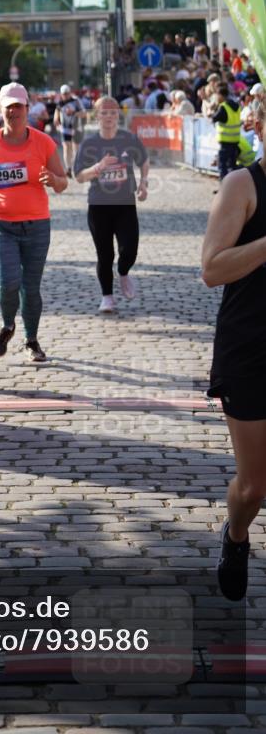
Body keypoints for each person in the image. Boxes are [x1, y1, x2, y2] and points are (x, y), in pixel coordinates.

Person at [201, 98, 266, 601]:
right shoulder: (242, 185)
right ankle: (237, 534)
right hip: (250, 346)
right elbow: (212, 268)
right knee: (254, 486)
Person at [0, 82, 68, 362]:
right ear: (0, 110)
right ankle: (7, 326)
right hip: (1, 224)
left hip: (37, 225)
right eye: (8, 107)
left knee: (31, 287)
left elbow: (63, 182)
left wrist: (54, 179)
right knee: (8, 281)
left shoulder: (43, 142)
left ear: (27, 108)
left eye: (18, 106)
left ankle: (31, 340)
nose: (13, 111)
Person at [74, 96, 149, 313]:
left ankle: (123, 272)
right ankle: (107, 297)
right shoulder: (89, 144)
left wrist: (143, 182)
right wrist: (98, 167)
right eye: (104, 113)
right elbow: (79, 176)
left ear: (118, 115)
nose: (109, 116)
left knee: (130, 250)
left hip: (125, 204)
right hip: (99, 206)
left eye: (113, 112)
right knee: (105, 254)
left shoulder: (129, 139)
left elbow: (144, 160)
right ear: (96, 116)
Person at [212, 82, 242, 180]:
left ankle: (224, 185)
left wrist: (214, 109)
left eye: (217, 95)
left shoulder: (223, 107)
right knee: (232, 165)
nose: (216, 98)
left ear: (221, 95)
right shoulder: (236, 106)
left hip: (226, 141)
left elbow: (214, 118)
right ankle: (234, 185)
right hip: (235, 140)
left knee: (223, 165)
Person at [54, 84, 85, 177]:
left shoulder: (76, 101)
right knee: (66, 148)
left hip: (76, 128)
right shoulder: (60, 103)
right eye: (64, 94)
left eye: (67, 93)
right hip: (65, 129)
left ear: (70, 93)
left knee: (75, 148)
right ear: (61, 94)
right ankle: (68, 168)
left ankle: (76, 167)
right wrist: (56, 121)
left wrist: (74, 112)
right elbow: (56, 114)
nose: (66, 95)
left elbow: (83, 113)